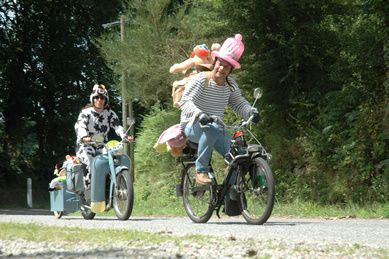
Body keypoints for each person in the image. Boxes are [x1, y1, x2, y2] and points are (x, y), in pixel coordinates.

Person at [179, 34, 259, 185]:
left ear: (230, 70)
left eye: (226, 66)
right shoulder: (202, 79)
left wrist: (251, 112)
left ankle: (232, 198)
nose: (221, 68)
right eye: (220, 63)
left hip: (216, 128)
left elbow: (239, 103)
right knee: (212, 128)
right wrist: (199, 114)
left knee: (239, 156)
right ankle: (200, 171)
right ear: (215, 62)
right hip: (192, 126)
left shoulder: (230, 85)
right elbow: (185, 101)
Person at [74, 84, 134, 188]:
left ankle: (116, 185)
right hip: (85, 146)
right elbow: (81, 126)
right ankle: (89, 192)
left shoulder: (109, 113)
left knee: (115, 158)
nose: (99, 100)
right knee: (91, 162)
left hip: (103, 146)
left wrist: (125, 136)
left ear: (106, 100)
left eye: (102, 98)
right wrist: (84, 137)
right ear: (92, 99)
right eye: (96, 97)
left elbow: (117, 126)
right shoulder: (85, 113)